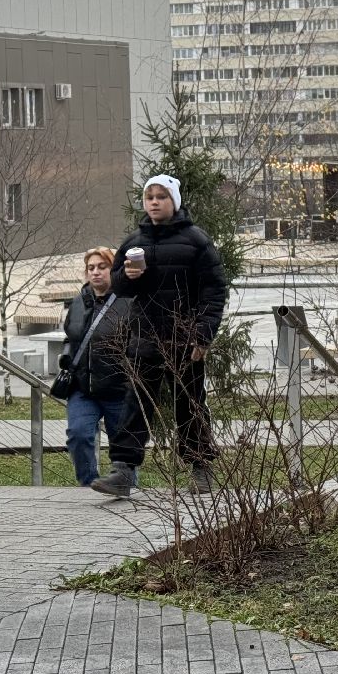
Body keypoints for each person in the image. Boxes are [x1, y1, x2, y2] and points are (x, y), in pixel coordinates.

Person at [92, 173, 228, 497]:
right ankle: (123, 471)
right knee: (135, 405)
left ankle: (200, 468)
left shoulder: (196, 241)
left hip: (185, 340)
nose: (154, 202)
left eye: (161, 196)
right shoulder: (134, 242)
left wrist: (203, 335)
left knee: (190, 404)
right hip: (145, 337)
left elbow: (214, 290)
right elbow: (119, 289)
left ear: (174, 202)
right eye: (149, 197)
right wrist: (127, 275)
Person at [60, 247, 136, 487]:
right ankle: (88, 483)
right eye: (91, 268)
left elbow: (140, 339)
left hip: (119, 389)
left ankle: (126, 487)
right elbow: (70, 336)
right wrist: (65, 355)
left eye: (102, 267)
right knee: (78, 434)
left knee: (122, 445)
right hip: (83, 387)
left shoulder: (128, 301)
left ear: (114, 270)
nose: (96, 273)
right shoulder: (79, 301)